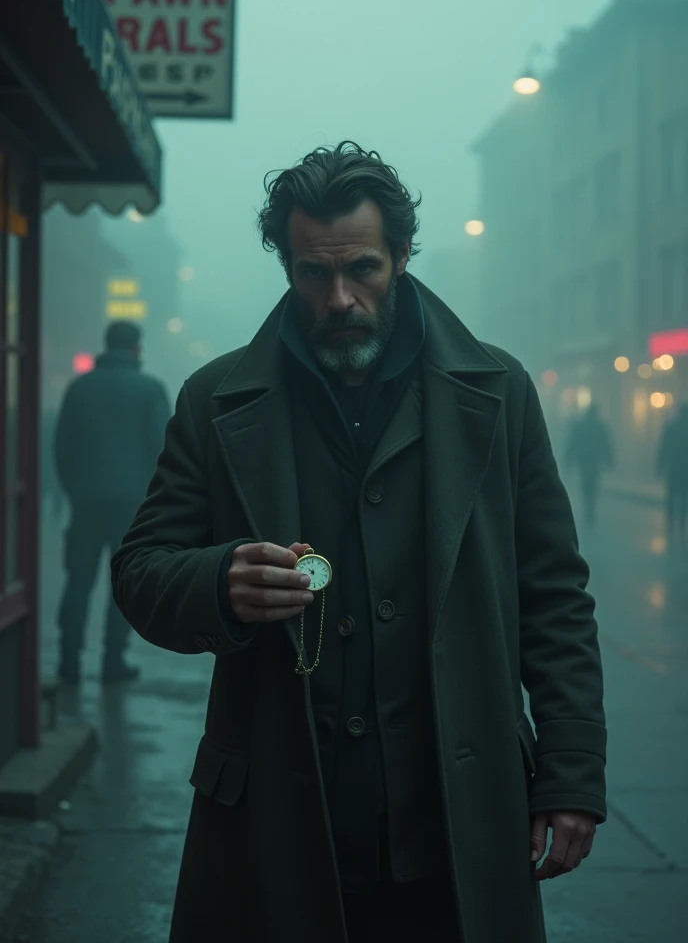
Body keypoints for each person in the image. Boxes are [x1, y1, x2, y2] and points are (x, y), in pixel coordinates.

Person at [111, 143, 607, 943]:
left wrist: (573, 776)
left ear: (403, 256)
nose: (339, 297)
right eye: (314, 274)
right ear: (287, 268)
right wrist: (218, 583)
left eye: (363, 270)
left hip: (457, 830)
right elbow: (138, 571)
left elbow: (554, 598)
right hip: (276, 831)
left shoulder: (499, 391)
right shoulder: (216, 399)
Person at [54, 321, 171, 684]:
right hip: (132, 506)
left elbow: (62, 448)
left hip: (86, 501)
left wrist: (76, 490)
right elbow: (163, 451)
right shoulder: (151, 389)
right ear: (136, 347)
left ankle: (68, 661)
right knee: (122, 584)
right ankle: (112, 662)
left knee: (78, 581)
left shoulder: (79, 388)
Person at [564, 403, 614, 526]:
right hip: (595, 460)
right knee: (594, 482)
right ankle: (590, 506)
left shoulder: (580, 426)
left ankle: (588, 506)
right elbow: (606, 444)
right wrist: (609, 460)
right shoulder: (600, 426)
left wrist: (568, 461)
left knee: (585, 482)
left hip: (583, 459)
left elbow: (572, 443)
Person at [657, 402, 688, 539]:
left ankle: (670, 522)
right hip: (685, 468)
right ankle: (681, 521)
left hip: (674, 467)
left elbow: (664, 448)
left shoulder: (671, 427)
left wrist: (659, 466)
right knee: (684, 496)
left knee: (672, 495)